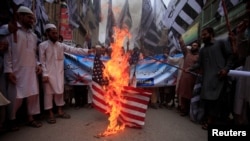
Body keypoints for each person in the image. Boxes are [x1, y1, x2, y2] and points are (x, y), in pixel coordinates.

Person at [39, 24, 94, 124]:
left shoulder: (61, 45)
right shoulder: (43, 46)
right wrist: (45, 74)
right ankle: (50, 113)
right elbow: (42, 61)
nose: (56, 35)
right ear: (47, 34)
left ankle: (60, 111)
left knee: (60, 92)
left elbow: (74, 50)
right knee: (48, 94)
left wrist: (87, 51)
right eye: (53, 33)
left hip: (59, 73)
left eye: (56, 33)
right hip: (48, 74)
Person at [4, 6, 43, 129]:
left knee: (33, 95)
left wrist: (38, 65)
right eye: (29, 17)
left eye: (33, 18)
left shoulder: (33, 36)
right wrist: (8, 71)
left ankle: (30, 118)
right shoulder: (12, 31)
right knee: (16, 97)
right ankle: (11, 120)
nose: (32, 20)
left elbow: (33, 54)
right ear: (20, 16)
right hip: (17, 70)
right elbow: (7, 53)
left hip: (31, 70)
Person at [189, 27, 235, 130]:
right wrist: (189, 69)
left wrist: (226, 69)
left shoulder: (221, 43)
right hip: (207, 81)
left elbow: (231, 56)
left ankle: (211, 122)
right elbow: (199, 64)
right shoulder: (202, 50)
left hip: (220, 79)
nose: (203, 37)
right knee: (208, 103)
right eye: (202, 35)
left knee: (219, 103)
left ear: (211, 34)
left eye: (205, 34)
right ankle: (209, 121)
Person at [177, 39, 200, 116]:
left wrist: (191, 69)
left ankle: (189, 110)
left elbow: (199, 65)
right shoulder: (187, 54)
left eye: (195, 46)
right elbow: (183, 47)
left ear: (198, 47)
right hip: (184, 77)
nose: (194, 47)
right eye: (193, 45)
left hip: (192, 78)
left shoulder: (199, 56)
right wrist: (180, 40)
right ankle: (183, 109)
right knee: (182, 94)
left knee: (190, 95)